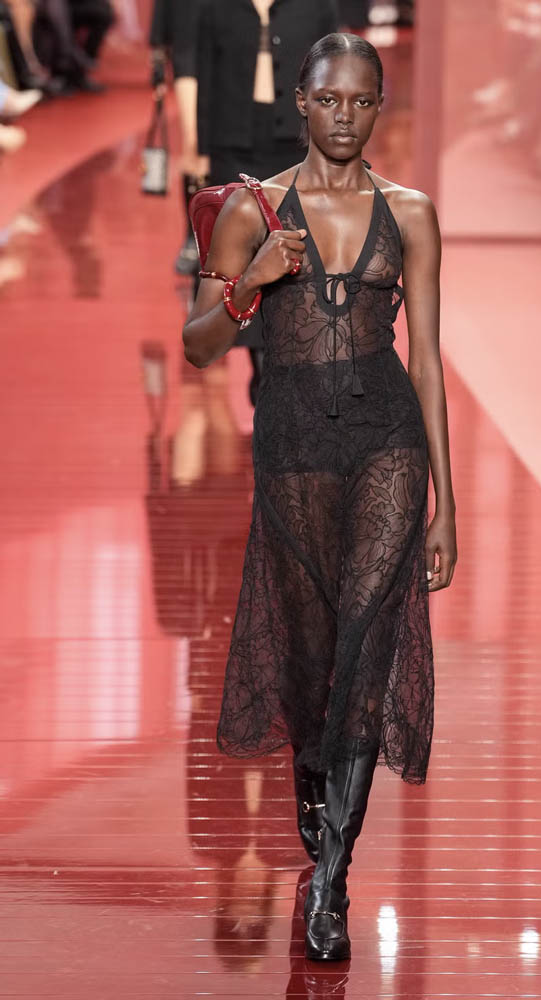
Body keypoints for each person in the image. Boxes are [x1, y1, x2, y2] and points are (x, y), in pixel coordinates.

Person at [183, 32, 457, 960]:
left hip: (387, 443)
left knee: (366, 652)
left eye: (362, 101)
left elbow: (426, 362)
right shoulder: (249, 210)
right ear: (300, 101)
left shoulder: (410, 213)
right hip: (293, 443)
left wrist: (446, 505)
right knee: (307, 657)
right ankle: (313, 783)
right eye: (330, 99)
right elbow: (197, 347)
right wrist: (253, 283)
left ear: (380, 107)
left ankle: (331, 880)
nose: (346, 116)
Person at [196, 0, 339, 404]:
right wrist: (200, 150)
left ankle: (282, 360)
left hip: (296, 144)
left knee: (296, 254)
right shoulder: (216, 7)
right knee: (243, 259)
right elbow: (205, 74)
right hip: (232, 144)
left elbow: (332, 77)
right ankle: (261, 364)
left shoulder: (316, 6)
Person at [149, 0, 207, 276]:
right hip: (189, 54)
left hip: (235, 52)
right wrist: (158, 62)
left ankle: (222, 231)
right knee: (193, 143)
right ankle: (192, 236)